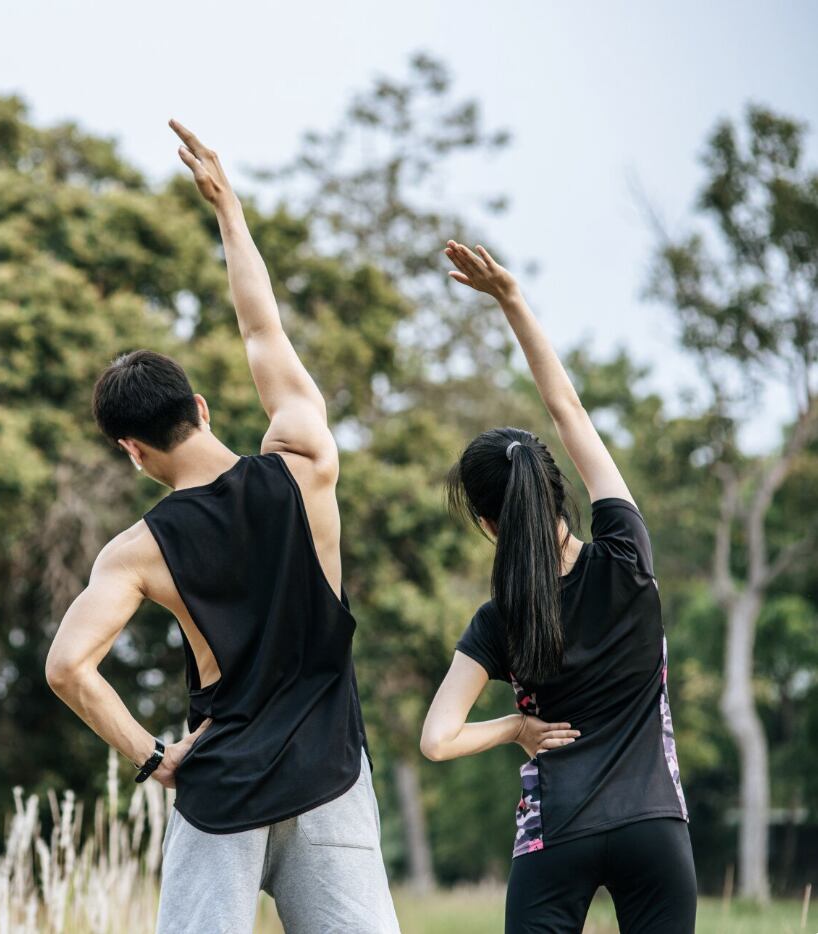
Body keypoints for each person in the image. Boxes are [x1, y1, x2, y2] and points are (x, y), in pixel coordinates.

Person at [45, 120, 399, 934]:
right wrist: (228, 212)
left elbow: (68, 667)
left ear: (132, 451)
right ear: (200, 407)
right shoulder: (304, 457)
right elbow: (260, 331)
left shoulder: (136, 553)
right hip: (331, 781)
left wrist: (151, 756)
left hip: (224, 792)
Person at [420, 241, 697, 933]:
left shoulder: (498, 621)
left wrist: (516, 726)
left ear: (489, 522)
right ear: (559, 489)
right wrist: (511, 299)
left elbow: (437, 740)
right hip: (653, 825)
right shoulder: (627, 555)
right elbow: (567, 410)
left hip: (556, 835)